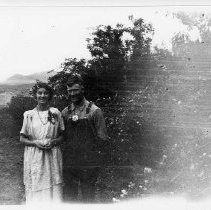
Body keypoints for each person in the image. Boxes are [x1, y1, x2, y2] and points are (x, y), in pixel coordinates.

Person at [62, 73, 108, 203]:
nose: (72, 94)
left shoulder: (94, 111)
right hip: (69, 161)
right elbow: (61, 136)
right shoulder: (65, 112)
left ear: (82, 89)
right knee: (69, 197)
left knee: (88, 197)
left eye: (75, 90)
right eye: (69, 91)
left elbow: (103, 138)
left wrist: (95, 161)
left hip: (88, 162)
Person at [20, 81, 64, 204]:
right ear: (35, 95)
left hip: (52, 155)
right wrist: (35, 143)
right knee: (36, 185)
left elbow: (62, 136)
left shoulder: (55, 113)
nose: (42, 96)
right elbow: (22, 139)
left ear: (49, 95)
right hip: (35, 155)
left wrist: (54, 141)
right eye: (39, 93)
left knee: (53, 187)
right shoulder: (29, 115)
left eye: (45, 93)